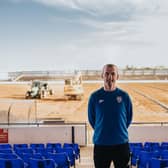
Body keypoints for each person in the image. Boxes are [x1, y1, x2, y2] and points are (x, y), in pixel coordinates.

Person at [88, 64, 133, 168]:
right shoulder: (94, 97)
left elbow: (129, 117)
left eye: (113, 74)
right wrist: (102, 130)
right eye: (107, 73)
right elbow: (92, 119)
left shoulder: (124, 96)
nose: (110, 77)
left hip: (121, 144)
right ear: (102, 76)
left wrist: (119, 130)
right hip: (101, 144)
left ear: (117, 76)